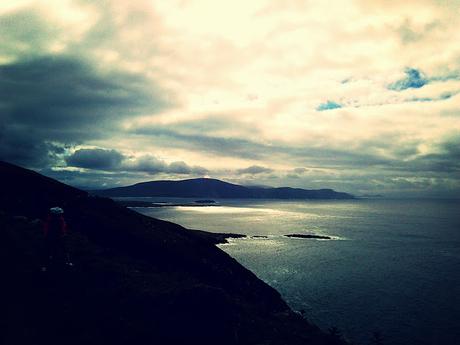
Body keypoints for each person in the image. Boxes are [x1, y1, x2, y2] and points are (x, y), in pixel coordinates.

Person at [41, 206, 72, 271]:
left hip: (51, 236)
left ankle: (45, 265)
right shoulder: (60, 220)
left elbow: (46, 228)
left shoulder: (50, 219)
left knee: (48, 250)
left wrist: (45, 235)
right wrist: (63, 235)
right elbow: (62, 229)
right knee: (63, 249)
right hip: (57, 236)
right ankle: (67, 262)